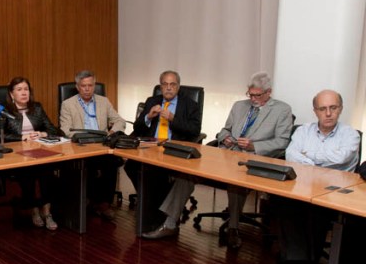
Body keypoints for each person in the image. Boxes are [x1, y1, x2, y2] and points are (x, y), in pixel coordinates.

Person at [142, 72, 293, 249]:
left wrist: (254, 147)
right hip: (226, 153)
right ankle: (170, 223)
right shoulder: (239, 106)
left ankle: (233, 228)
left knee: (236, 182)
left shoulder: (282, 110)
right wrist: (226, 137)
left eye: (257, 95)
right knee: (187, 173)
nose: (252, 98)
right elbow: (224, 130)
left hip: (253, 159)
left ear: (269, 92)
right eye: (250, 94)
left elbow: (282, 142)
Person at [278, 90, 359, 264]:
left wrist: (307, 156)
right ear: (315, 111)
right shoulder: (303, 131)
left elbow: (340, 158)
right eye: (323, 108)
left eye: (333, 108)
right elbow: (291, 154)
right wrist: (317, 160)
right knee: (284, 203)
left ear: (341, 109)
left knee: (316, 214)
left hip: (335, 194)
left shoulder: (350, 135)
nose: (329, 113)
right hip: (304, 187)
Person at [124, 70, 202, 214]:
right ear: (160, 87)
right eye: (165, 84)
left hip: (173, 149)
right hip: (150, 147)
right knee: (130, 166)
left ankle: (156, 204)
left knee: (158, 172)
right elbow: (137, 126)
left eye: (172, 84)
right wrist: (148, 116)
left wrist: (173, 119)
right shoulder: (151, 101)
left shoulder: (190, 105)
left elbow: (195, 131)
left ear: (178, 86)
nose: (168, 87)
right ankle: (148, 199)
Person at [0, 77, 63, 230]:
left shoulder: (36, 108)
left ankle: (47, 211)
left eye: (26, 89)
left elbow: (53, 129)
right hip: (17, 156)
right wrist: (21, 137)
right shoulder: (4, 111)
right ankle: (33, 210)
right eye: (19, 90)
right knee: (29, 172)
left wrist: (42, 134)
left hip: (40, 152)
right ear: (12, 94)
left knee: (47, 171)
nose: (24, 93)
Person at [59, 70, 126, 220]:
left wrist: (112, 131)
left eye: (90, 85)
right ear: (77, 87)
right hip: (81, 146)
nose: (87, 89)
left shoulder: (104, 101)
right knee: (87, 164)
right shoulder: (68, 104)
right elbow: (65, 129)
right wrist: (84, 138)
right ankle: (86, 199)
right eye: (84, 86)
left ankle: (104, 203)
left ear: (94, 85)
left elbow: (120, 121)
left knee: (112, 162)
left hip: (103, 145)